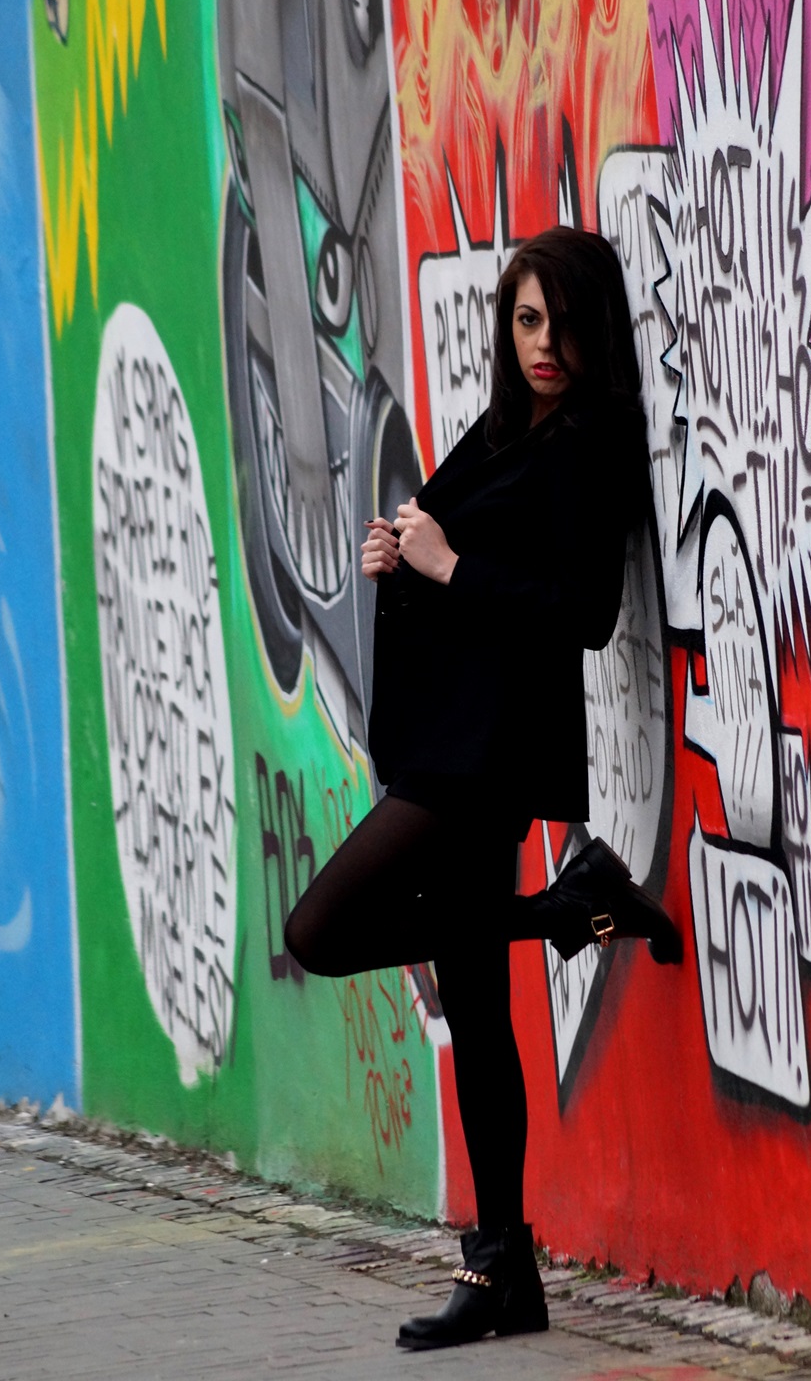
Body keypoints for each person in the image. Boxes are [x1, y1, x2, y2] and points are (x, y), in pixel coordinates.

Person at [284, 226, 682, 1352]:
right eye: (525, 320)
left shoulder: (590, 440)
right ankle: (501, 1269)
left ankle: (568, 909)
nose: (543, 344)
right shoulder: (511, 426)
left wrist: (447, 565)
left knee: (318, 930)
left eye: (561, 322)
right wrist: (399, 554)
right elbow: (446, 541)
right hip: (447, 738)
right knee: (477, 1007)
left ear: (594, 327)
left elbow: (584, 611)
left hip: (488, 751)